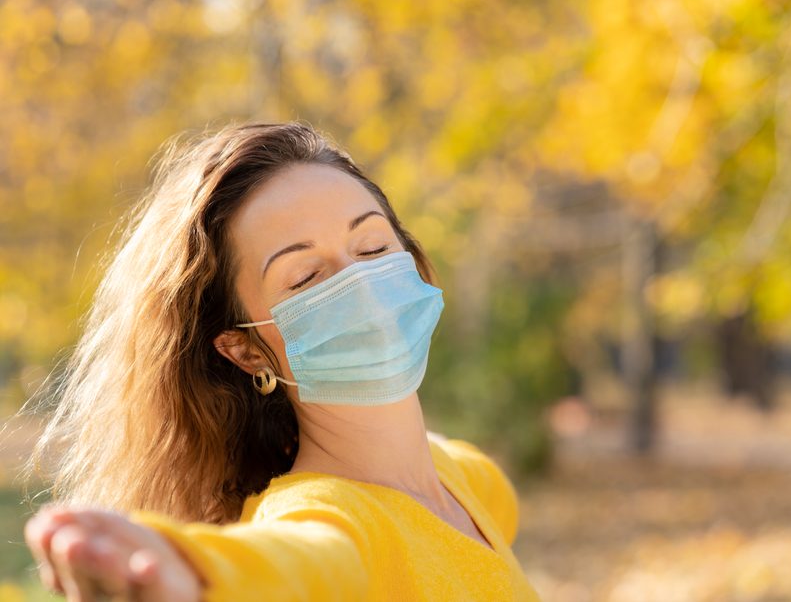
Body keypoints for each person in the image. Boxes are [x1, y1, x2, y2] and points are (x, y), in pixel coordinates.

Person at [20, 121, 542, 601]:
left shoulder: (458, 480)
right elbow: (294, 560)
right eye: (305, 277)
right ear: (245, 350)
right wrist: (191, 569)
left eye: (373, 245)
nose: (359, 286)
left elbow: (492, 493)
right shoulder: (327, 514)